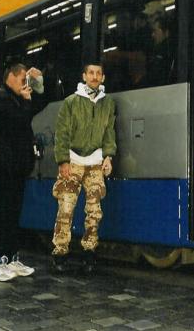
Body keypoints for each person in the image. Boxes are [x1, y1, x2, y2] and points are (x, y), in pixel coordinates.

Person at [50, 62, 116, 275]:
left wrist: (108, 157)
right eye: (91, 73)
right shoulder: (71, 102)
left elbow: (109, 133)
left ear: (103, 77)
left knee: (94, 212)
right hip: (73, 162)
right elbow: (62, 133)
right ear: (84, 76)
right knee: (66, 208)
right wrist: (63, 161)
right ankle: (60, 253)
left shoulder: (108, 103)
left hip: (96, 162)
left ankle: (89, 253)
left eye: (98, 73)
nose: (95, 76)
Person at [0, 63, 42, 281]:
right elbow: (18, 122)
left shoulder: (16, 99)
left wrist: (39, 81)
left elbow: (35, 108)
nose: (25, 83)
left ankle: (11, 257)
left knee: (13, 215)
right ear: (12, 77)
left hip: (16, 167)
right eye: (23, 79)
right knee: (2, 214)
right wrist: (26, 102)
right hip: (4, 166)